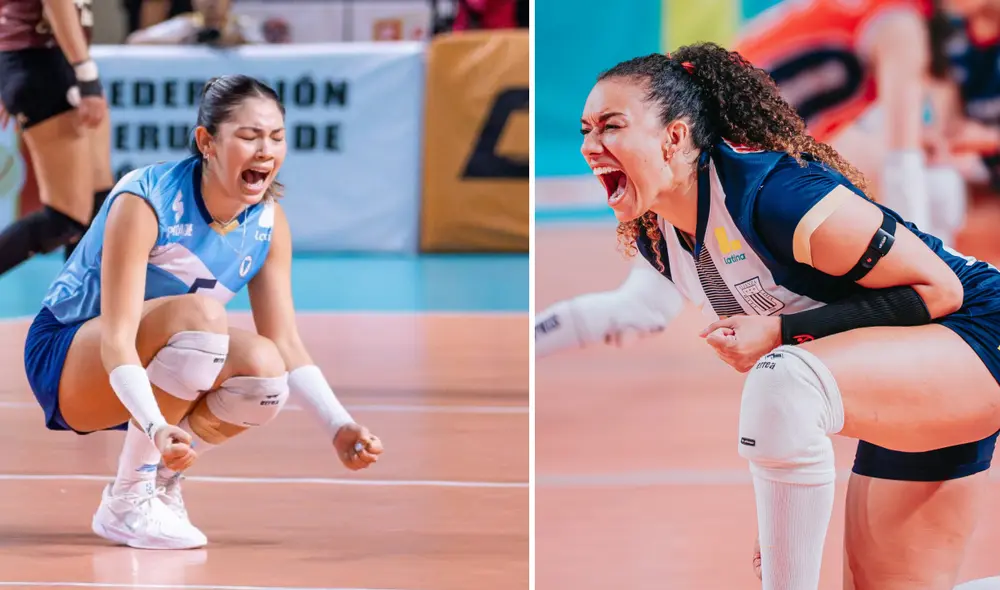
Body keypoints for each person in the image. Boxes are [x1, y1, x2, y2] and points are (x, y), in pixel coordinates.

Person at [560, 44, 1000, 589]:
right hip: (912, 366)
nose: (590, 145)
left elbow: (941, 290)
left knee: (784, 379)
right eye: (584, 130)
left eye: (611, 126)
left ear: (674, 137)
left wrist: (779, 334)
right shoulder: (661, 238)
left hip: (976, 328)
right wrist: (785, 507)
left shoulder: (778, 195)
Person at [23, 74, 384, 550]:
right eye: (249, 136)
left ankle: (162, 486)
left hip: (155, 374)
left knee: (264, 371)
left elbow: (287, 343)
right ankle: (129, 498)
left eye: (276, 137)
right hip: (71, 357)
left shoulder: (268, 225)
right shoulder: (146, 198)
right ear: (206, 142)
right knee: (203, 318)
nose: (265, 150)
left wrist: (338, 425)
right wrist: (154, 430)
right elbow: (117, 338)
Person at [535, 0, 972, 356]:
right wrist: (923, 259)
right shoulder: (900, 23)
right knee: (935, 187)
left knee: (641, 305)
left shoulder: (872, 19)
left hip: (718, 161)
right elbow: (903, 155)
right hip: (722, 174)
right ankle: (938, 313)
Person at [0, 0, 115, 274]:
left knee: (98, 207)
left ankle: (78, 311)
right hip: (43, 57)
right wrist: (86, 75)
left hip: (51, 56)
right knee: (67, 218)